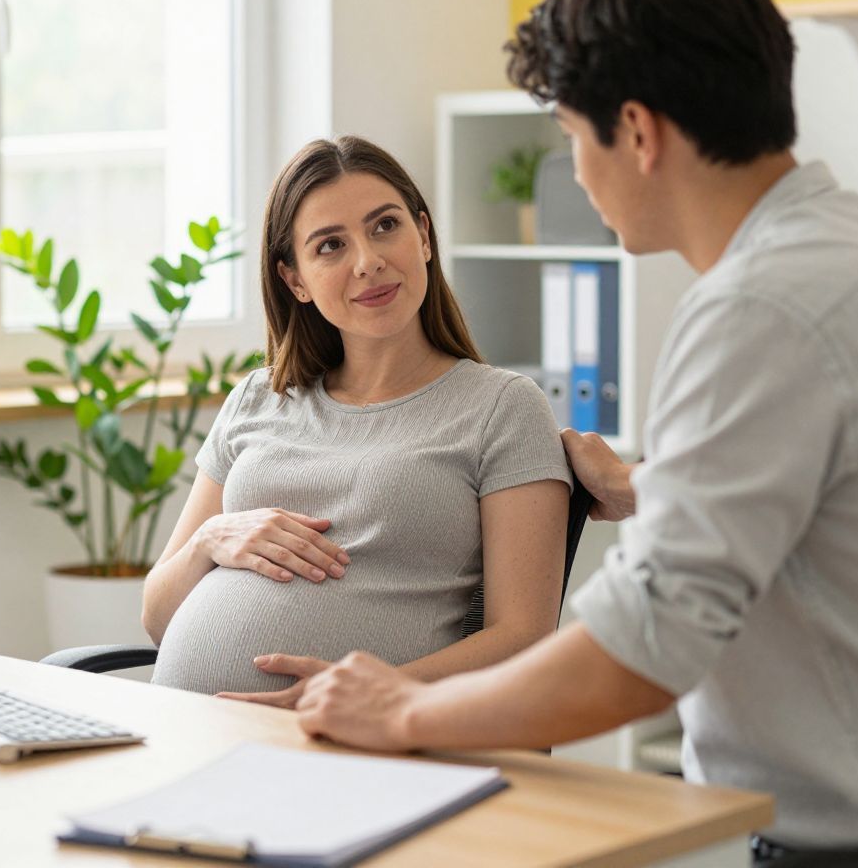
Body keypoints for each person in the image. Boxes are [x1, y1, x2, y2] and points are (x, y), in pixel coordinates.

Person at [294, 0, 858, 863]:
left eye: (570, 139)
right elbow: (827, 510)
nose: (576, 176)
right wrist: (643, 488)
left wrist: (407, 711)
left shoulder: (763, 309)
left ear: (636, 132)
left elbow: (644, 647)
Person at [141, 135, 573, 705]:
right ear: (294, 280)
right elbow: (155, 619)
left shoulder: (502, 408)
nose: (368, 261)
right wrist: (209, 539)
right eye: (330, 246)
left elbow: (524, 640)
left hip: (360, 747)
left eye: (385, 226)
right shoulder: (258, 396)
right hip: (184, 733)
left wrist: (360, 693)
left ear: (423, 236)